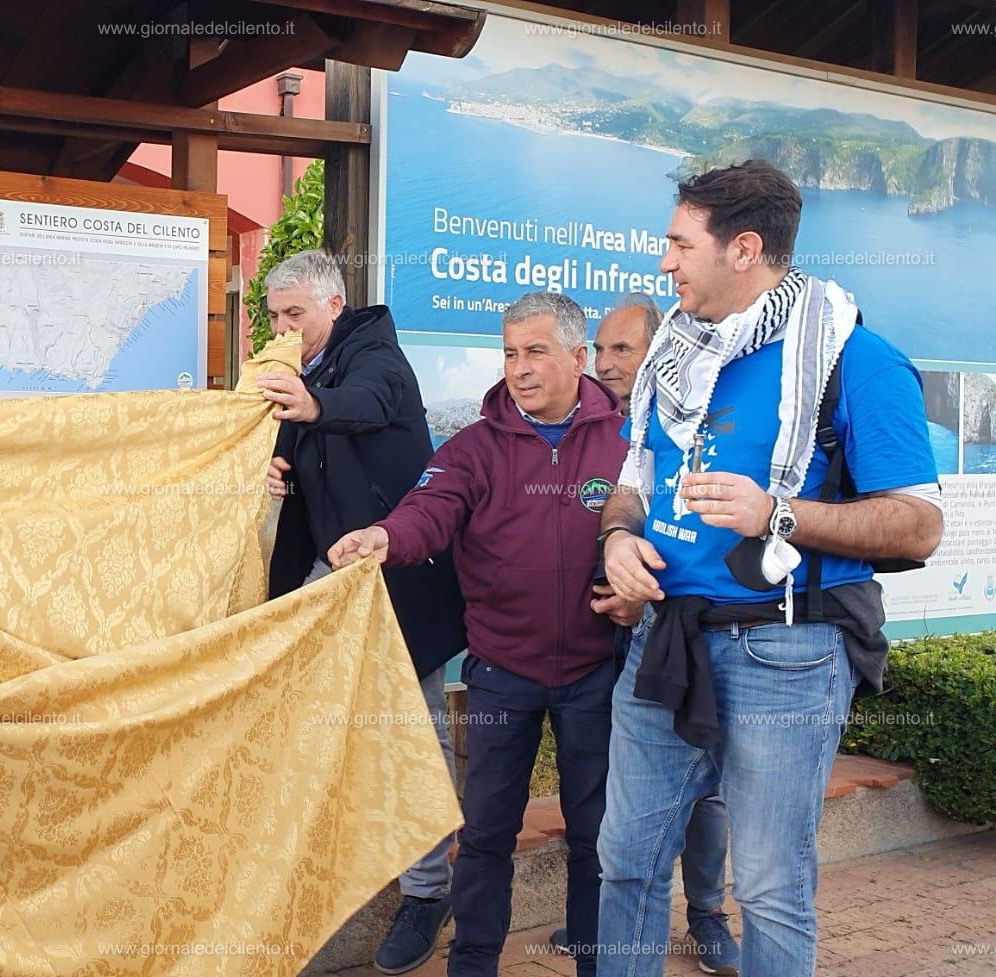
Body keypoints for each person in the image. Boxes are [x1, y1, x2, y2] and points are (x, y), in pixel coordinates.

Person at [596, 160, 943, 977]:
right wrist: (617, 541)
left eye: (680, 244)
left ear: (744, 248)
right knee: (626, 861)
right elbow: (631, 486)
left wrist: (777, 513)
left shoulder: (858, 360)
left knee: (769, 883)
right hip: (664, 641)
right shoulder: (673, 356)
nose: (665, 263)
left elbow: (920, 525)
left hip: (786, 653)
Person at [329, 291, 635, 977]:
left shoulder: (628, 442)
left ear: (578, 358)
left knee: (597, 837)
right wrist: (385, 536)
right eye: (509, 352)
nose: (519, 368)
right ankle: (472, 963)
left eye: (535, 351)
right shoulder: (475, 446)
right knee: (488, 833)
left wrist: (638, 597)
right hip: (502, 669)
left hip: (597, 673)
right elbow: (428, 509)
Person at [257, 250, 468, 975]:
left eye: (296, 314)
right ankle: (319, 880)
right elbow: (285, 457)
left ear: (334, 305)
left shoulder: (376, 352)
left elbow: (371, 403)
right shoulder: (294, 374)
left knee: (412, 731)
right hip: (325, 575)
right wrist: (269, 468)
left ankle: (427, 891)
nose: (285, 327)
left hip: (400, 581)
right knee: (308, 730)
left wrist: (312, 407)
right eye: (275, 315)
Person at [551, 295, 740, 975]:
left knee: (707, 791)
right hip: (626, 645)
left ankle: (709, 915)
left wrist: (646, 592)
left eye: (621, 350)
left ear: (658, 351)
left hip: (697, 632)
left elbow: (704, 530)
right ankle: (607, 927)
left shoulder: (689, 419)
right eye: (598, 350)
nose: (605, 364)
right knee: (633, 809)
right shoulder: (594, 427)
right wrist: (618, 573)